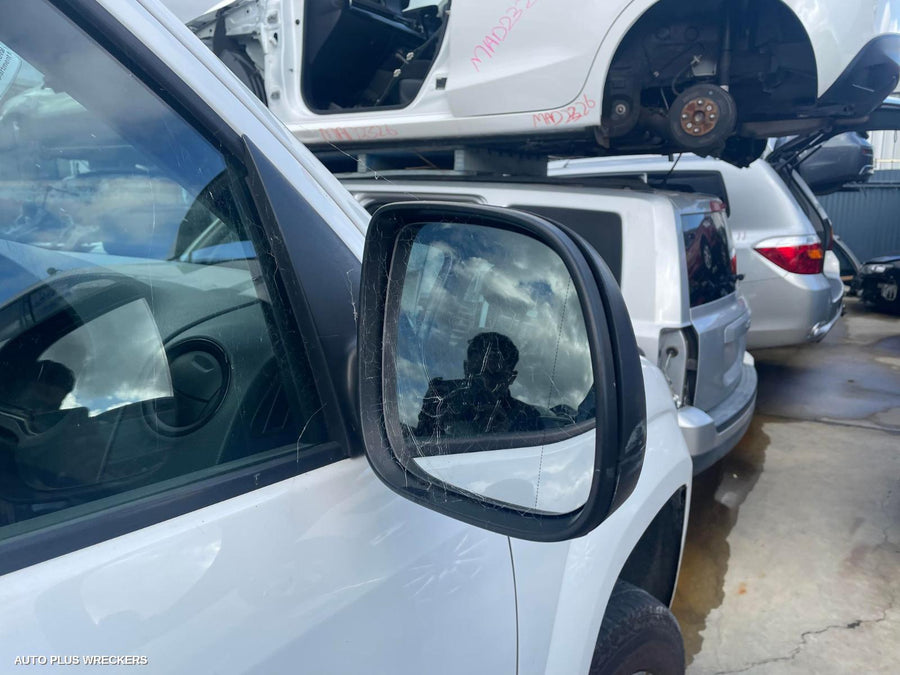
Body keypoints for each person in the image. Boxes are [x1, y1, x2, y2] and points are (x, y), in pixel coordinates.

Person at [414, 331, 541, 439]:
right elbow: (421, 440)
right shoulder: (441, 395)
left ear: (511, 378)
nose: (484, 383)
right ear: (466, 368)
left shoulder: (527, 418)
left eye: (494, 376)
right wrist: (440, 420)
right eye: (477, 374)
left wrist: (504, 432)